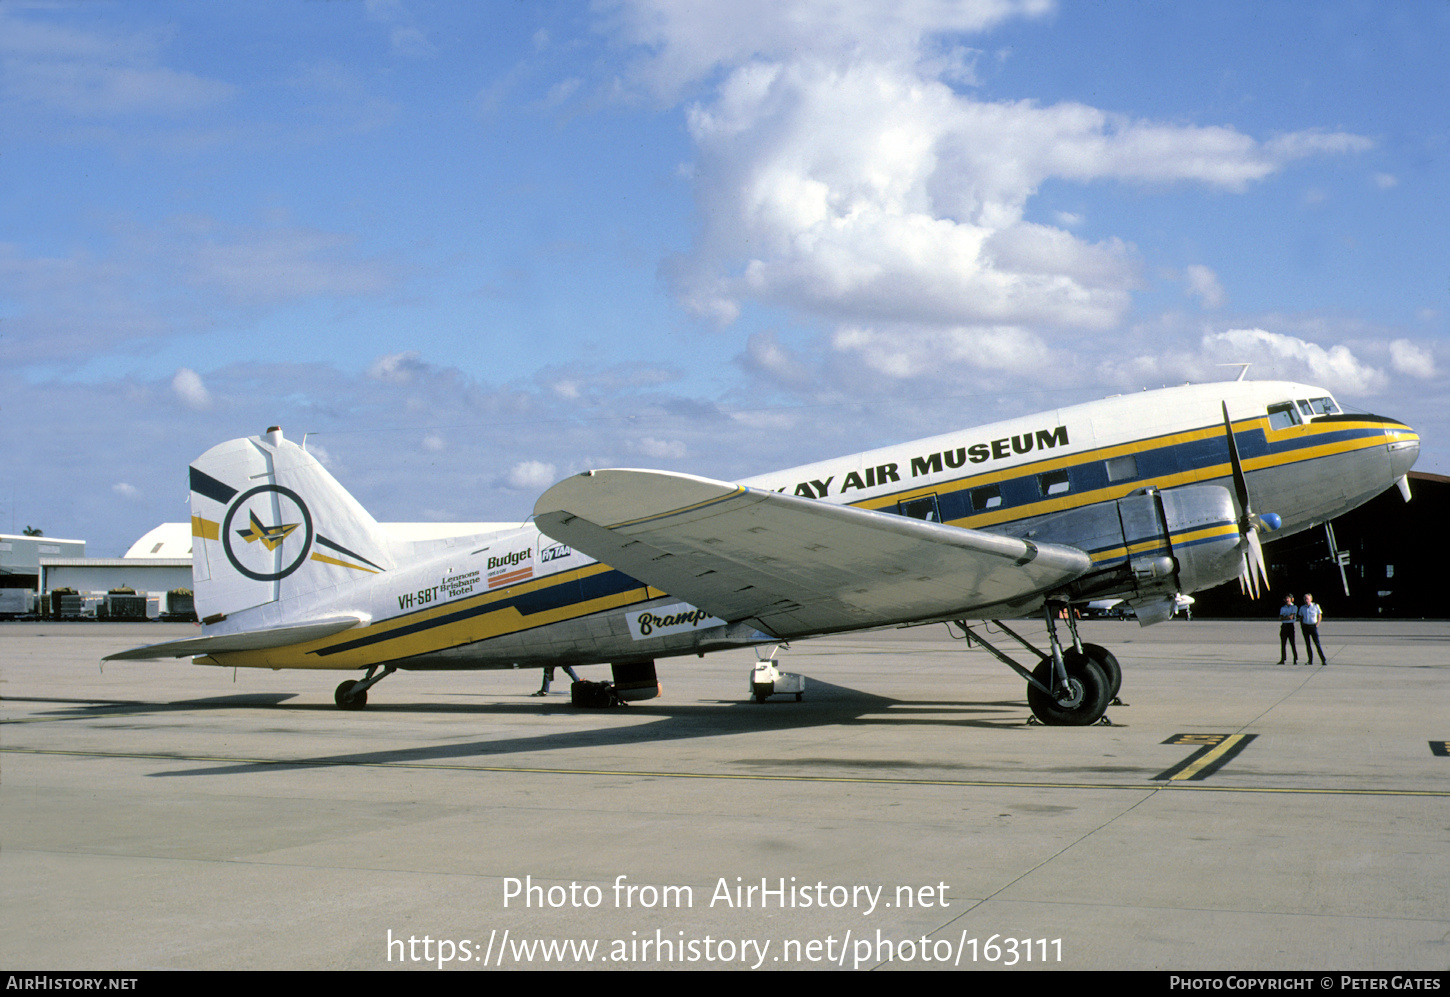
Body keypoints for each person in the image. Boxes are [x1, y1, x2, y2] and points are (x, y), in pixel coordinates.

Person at [1298, 593, 1326, 665]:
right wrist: (1302, 626)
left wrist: (1317, 625)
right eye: (1305, 599)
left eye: (1307, 599)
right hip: (1305, 627)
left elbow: (1319, 615)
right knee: (1308, 644)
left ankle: (1323, 660)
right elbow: (1301, 617)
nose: (1306, 600)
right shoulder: (1302, 607)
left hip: (1313, 626)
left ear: (1311, 599)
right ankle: (1310, 660)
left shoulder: (1315, 606)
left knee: (1317, 644)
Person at [1277, 594, 1298, 664]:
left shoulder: (1294, 607)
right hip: (1284, 626)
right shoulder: (1283, 608)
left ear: (1291, 599)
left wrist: (1284, 617)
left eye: (1288, 598)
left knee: (1292, 643)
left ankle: (1295, 658)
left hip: (1290, 626)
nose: (1287, 600)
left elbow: (1291, 617)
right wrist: (1286, 617)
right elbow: (1280, 618)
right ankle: (1283, 659)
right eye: (1286, 598)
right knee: (1283, 644)